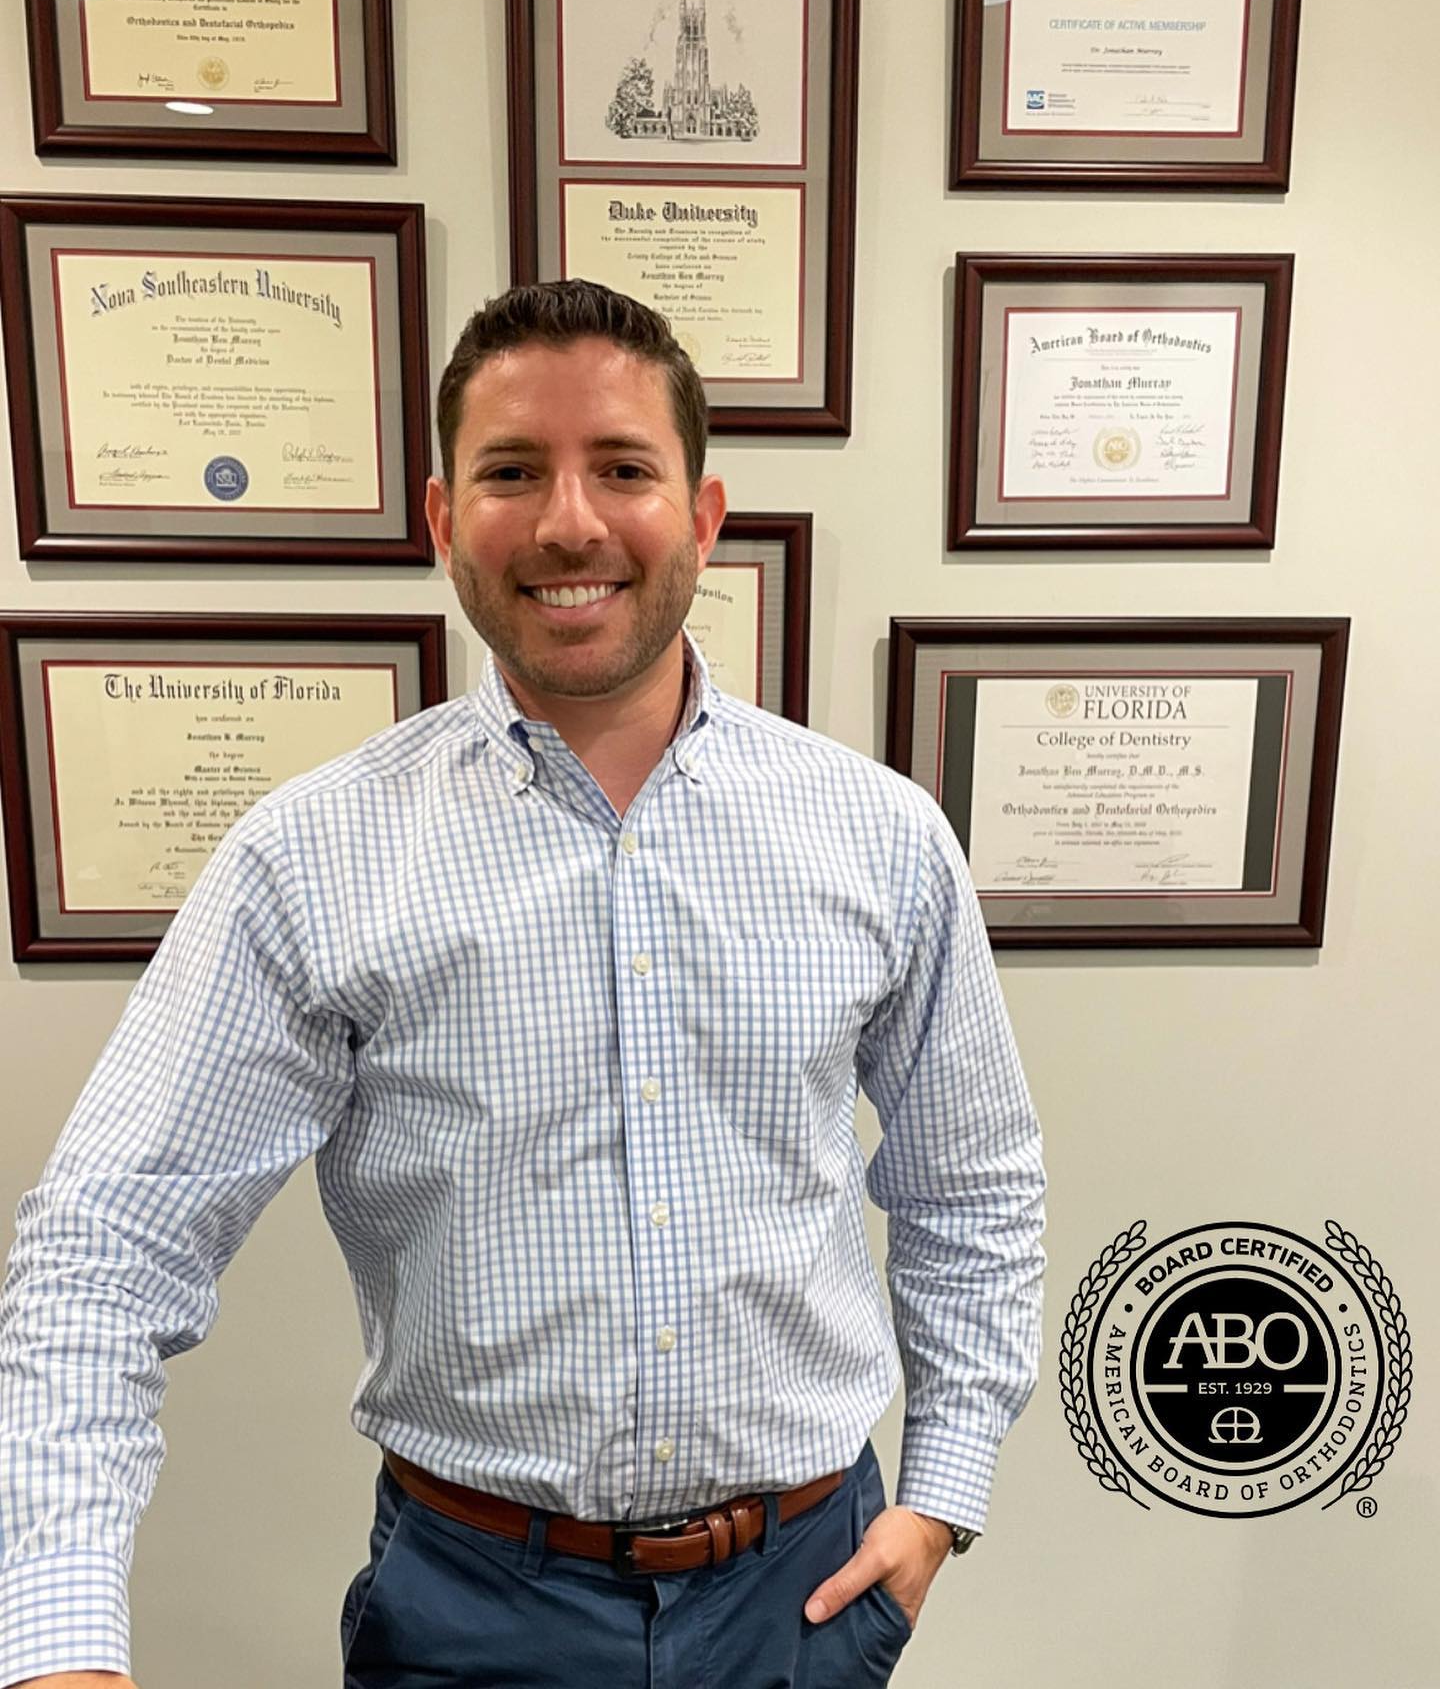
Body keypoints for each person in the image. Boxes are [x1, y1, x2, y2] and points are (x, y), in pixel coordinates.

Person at [0, 280, 1045, 1689]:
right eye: (510, 472)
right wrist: (61, 1638)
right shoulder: (312, 861)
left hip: (805, 1597)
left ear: (704, 514)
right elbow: (104, 1251)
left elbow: (971, 1185)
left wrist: (943, 1496)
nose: (568, 523)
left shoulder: (878, 836)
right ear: (443, 518)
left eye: (622, 468)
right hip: (474, 1612)